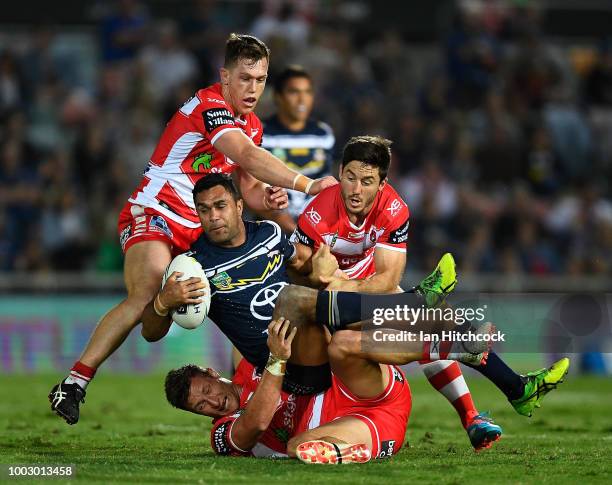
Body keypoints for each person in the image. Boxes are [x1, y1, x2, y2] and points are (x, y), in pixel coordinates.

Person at [49, 33, 336, 425]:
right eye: (245, 78)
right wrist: (306, 184)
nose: (253, 88)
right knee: (146, 296)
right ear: (225, 76)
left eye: (261, 79)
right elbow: (247, 155)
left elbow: (246, 183)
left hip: (202, 228)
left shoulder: (251, 124)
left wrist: (265, 200)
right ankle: (75, 382)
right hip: (157, 212)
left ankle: (277, 378)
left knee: (232, 294)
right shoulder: (209, 106)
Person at [290, 135, 570, 449]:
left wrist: (343, 282)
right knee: (422, 320)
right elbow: (303, 275)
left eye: (366, 181)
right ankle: (500, 395)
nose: (355, 190)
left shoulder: (394, 208)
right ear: (340, 172)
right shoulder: (319, 212)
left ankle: (492, 405)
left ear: (382, 183)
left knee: (437, 318)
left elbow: (385, 278)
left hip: (365, 288)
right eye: (350, 178)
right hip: (321, 311)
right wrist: (328, 279)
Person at [163, 314, 492, 463]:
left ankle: (450, 346)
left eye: (205, 390)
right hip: (368, 425)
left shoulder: (247, 360)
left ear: (210, 372)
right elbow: (257, 422)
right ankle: (347, 453)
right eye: (200, 407)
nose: (212, 402)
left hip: (357, 387)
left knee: (341, 342)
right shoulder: (223, 433)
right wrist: (278, 360)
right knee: (299, 447)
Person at [258, 65, 335, 233]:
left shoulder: (323, 134)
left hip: (315, 223)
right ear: (278, 97)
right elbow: (256, 186)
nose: (302, 100)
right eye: (294, 92)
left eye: (307, 92)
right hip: (270, 225)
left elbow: (326, 183)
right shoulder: (260, 133)